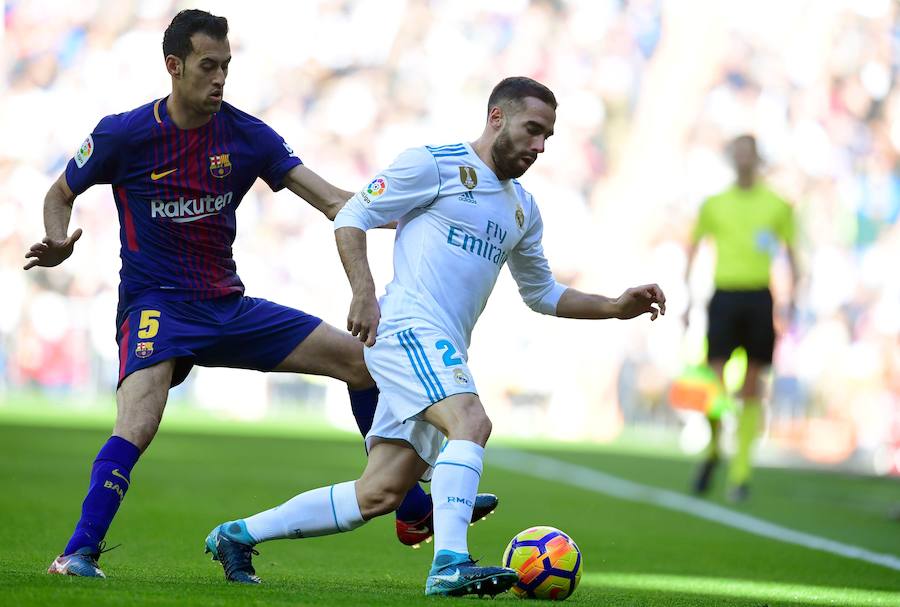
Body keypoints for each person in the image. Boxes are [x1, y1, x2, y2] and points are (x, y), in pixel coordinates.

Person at [25, 9, 493, 580]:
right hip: (158, 306)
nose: (220, 77)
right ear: (174, 66)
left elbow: (333, 200)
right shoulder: (122, 134)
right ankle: (77, 553)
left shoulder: (247, 136)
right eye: (208, 65)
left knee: (364, 362)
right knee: (138, 424)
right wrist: (56, 239)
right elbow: (59, 193)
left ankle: (410, 505)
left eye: (226, 65)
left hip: (227, 305)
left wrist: (419, 212)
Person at [207, 76, 666, 597]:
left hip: (443, 345)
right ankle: (450, 563)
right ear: (497, 117)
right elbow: (353, 214)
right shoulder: (434, 164)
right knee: (471, 421)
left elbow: (542, 293)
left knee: (379, 493)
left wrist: (614, 307)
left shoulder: (522, 208)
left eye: (548, 137)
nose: (540, 146)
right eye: (533, 129)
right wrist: (363, 292)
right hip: (408, 328)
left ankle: (236, 535)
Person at [685, 134, 798, 502]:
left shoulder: (777, 205)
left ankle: (740, 472)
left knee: (752, 386)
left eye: (749, 153)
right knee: (714, 382)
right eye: (738, 153)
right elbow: (695, 246)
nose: (744, 159)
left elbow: (792, 253)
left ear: (757, 158)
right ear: (732, 158)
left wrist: (792, 299)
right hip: (724, 295)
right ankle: (714, 447)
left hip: (759, 297)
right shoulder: (715, 204)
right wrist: (687, 296)